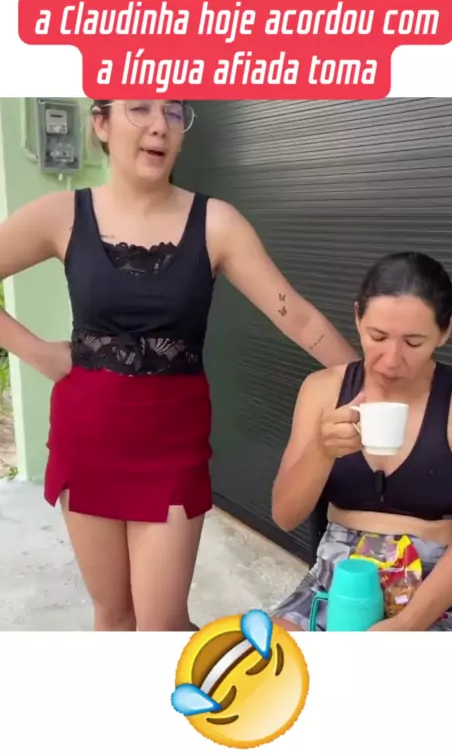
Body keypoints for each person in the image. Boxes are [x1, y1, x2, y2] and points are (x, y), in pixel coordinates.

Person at [0, 99, 357, 632]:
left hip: (171, 446)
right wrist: (37, 352)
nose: (158, 126)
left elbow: (299, 318)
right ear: (101, 123)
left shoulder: (217, 223)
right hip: (86, 437)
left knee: (162, 625)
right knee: (113, 615)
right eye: (140, 109)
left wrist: (373, 384)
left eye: (173, 113)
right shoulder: (61, 214)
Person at [271, 251, 452, 631]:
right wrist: (322, 451)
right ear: (357, 318)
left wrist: (405, 626)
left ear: (445, 331)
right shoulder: (322, 389)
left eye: (414, 342)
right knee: (265, 658)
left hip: (433, 584)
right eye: (377, 337)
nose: (391, 360)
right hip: (338, 574)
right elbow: (285, 516)